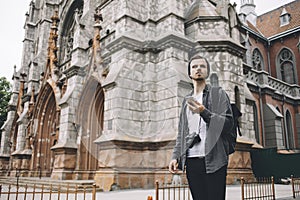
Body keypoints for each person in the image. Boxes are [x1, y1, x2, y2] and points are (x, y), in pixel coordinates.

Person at [168, 55, 234, 200]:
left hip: (214, 160)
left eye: (202, 66)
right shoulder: (187, 101)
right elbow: (182, 133)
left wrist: (204, 112)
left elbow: (227, 124)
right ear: (189, 73)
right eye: (194, 66)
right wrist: (175, 156)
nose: (198, 69)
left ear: (207, 72)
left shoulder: (218, 94)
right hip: (191, 161)